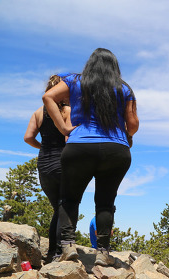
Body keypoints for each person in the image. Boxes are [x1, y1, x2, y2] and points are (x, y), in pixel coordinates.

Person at [42, 48, 138, 267]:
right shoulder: (124, 89)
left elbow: (48, 97)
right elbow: (132, 124)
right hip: (116, 150)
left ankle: (67, 246)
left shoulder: (75, 81)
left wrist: (65, 128)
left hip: (79, 147)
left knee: (69, 199)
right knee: (105, 202)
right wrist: (125, 135)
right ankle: (103, 252)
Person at [23, 75, 72, 263]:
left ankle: (53, 252)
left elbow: (28, 137)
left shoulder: (38, 112)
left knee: (57, 208)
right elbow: (68, 138)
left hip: (43, 163)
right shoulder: (66, 110)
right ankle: (59, 252)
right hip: (62, 162)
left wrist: (42, 146)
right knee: (64, 207)